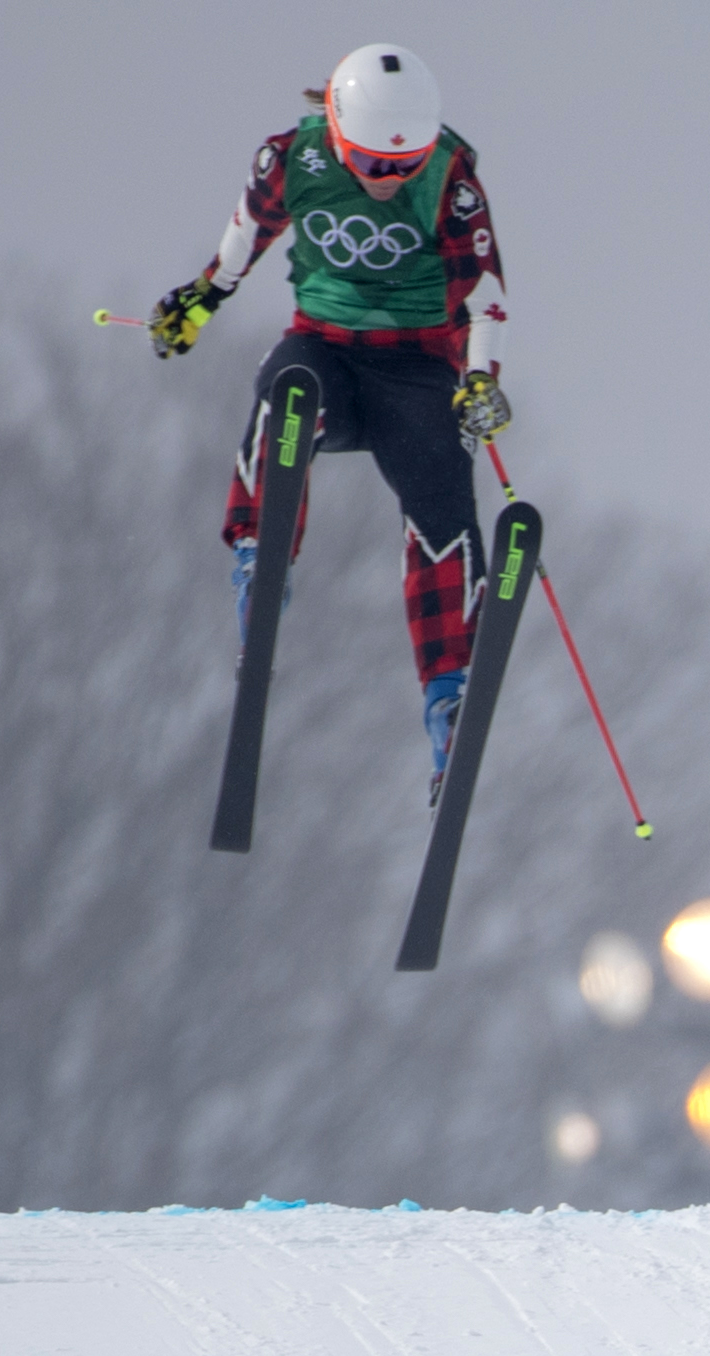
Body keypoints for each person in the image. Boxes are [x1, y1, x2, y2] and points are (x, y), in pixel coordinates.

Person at [145, 43, 513, 802]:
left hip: (416, 369)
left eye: (401, 168)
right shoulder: (292, 160)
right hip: (328, 352)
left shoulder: (450, 181)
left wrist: (479, 381)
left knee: (442, 495)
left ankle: (447, 692)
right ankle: (261, 560)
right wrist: (200, 300)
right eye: (373, 165)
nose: (388, 182)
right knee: (286, 392)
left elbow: (485, 297)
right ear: (341, 137)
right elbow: (248, 232)